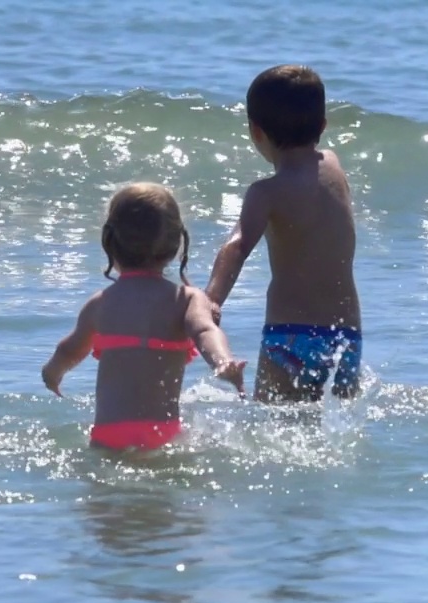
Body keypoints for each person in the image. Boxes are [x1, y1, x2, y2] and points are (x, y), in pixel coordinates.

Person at [41, 183, 246, 451]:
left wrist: (52, 375)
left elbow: (68, 351)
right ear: (176, 244)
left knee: (105, 492)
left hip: (108, 435)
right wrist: (223, 361)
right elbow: (206, 331)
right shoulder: (186, 299)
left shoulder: (102, 303)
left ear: (109, 242)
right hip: (162, 436)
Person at [205, 64, 363, 403]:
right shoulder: (333, 165)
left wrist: (212, 299)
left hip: (290, 336)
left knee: (276, 428)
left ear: (255, 132)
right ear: (323, 125)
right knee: (331, 430)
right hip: (346, 335)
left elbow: (238, 245)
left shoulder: (266, 192)